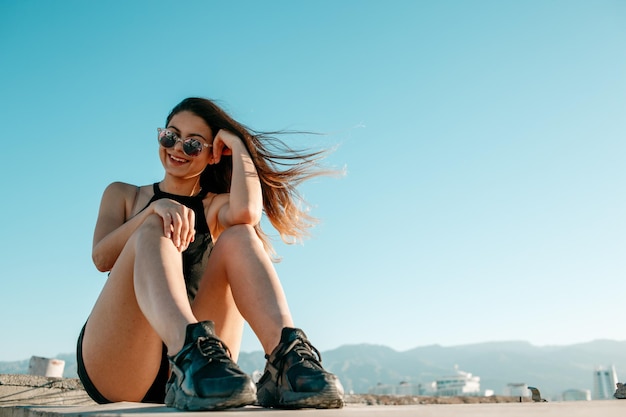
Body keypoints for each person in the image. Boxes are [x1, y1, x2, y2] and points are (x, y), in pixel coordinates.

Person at [76, 97, 344, 411]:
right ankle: (187, 353)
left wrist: (237, 144)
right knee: (153, 228)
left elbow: (247, 212)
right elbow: (101, 258)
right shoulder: (124, 194)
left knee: (240, 233)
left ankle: (286, 359)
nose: (177, 149)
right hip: (121, 367)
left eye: (193, 145)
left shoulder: (215, 206)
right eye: (171, 137)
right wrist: (152, 212)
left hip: (207, 377)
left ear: (212, 155)